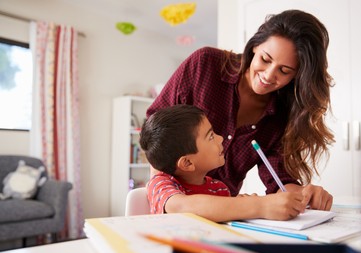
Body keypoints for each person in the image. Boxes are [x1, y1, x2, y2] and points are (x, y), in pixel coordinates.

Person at [147, 9, 334, 211]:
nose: (269, 75)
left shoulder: (282, 114)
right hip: (175, 208)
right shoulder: (205, 65)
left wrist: (303, 195)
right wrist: (159, 197)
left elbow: (278, 179)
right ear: (254, 47)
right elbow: (157, 130)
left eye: (284, 70)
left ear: (297, 76)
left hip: (225, 215)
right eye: (265, 59)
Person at [139, 104, 306, 222]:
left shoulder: (219, 189)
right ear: (187, 162)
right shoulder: (160, 183)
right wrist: (259, 206)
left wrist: (241, 206)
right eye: (211, 136)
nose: (220, 139)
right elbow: (181, 206)